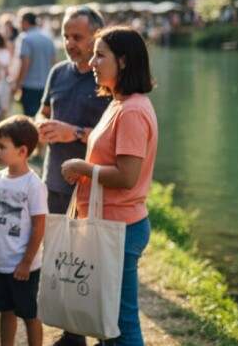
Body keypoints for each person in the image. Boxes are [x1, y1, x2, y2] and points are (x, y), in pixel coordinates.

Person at [61, 26, 157, 346]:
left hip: (119, 228)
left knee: (122, 323)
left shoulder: (132, 110)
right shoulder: (119, 103)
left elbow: (127, 177)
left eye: (100, 55)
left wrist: (82, 168)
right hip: (108, 224)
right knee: (106, 319)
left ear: (124, 61)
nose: (92, 62)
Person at [36, 6, 111, 346]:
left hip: (92, 186)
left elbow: (114, 137)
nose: (70, 43)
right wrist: (40, 124)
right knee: (62, 262)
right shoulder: (58, 72)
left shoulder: (106, 77)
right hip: (54, 180)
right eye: (66, 36)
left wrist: (75, 133)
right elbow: (42, 111)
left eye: (77, 37)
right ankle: (72, 334)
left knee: (93, 262)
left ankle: (105, 334)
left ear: (97, 36)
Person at [0, 115, 48, 346]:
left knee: (29, 314)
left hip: (22, 266)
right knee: (5, 311)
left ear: (22, 151)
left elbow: (39, 225)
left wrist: (26, 262)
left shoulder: (34, 185)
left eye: (2, 146)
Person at [13, 12, 55, 118]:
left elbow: (25, 64)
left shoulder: (25, 38)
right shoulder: (47, 37)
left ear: (25, 22)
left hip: (30, 87)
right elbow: (54, 61)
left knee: (31, 119)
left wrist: (18, 84)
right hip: (46, 85)